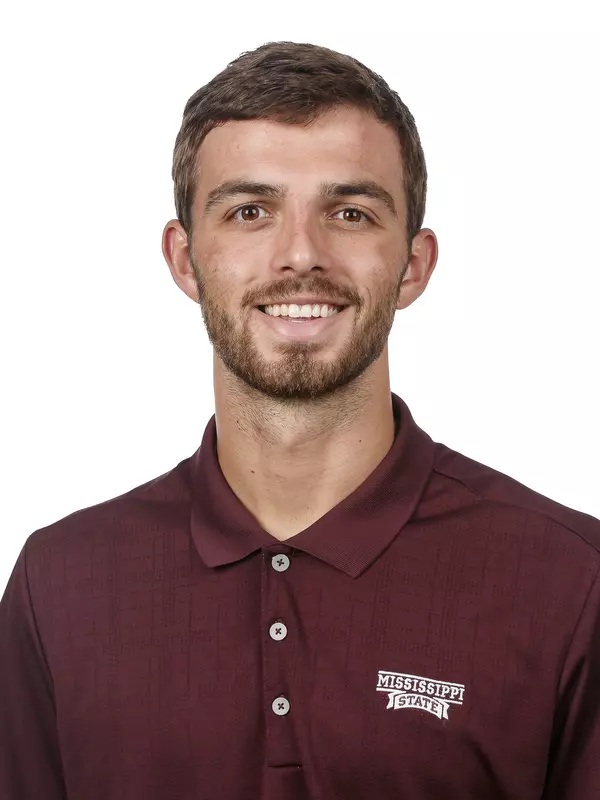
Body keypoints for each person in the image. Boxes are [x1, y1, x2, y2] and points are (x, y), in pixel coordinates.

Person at [1, 40, 599, 800]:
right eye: (251, 211)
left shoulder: (571, 580)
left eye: (349, 212)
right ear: (185, 260)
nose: (300, 255)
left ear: (414, 264)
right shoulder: (61, 584)